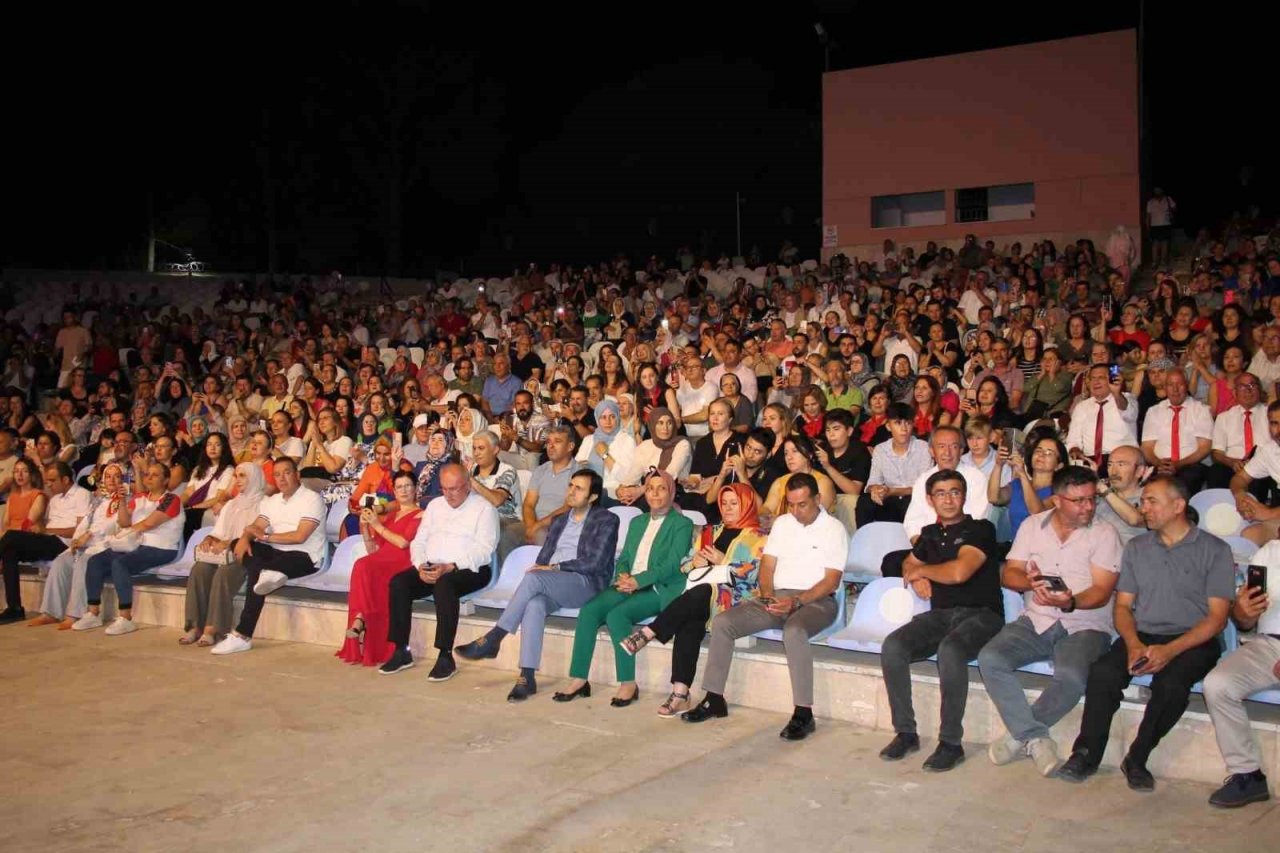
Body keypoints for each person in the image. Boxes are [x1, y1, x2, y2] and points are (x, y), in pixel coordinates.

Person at [1057, 475, 1233, 791]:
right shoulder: (1137, 547)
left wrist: (1171, 650)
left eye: (1152, 500)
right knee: (1104, 673)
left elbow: (1217, 619)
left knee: (1172, 684)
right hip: (1143, 634)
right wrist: (1134, 643)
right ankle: (1086, 753)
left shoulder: (1215, 550)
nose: (1143, 507)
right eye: (1144, 500)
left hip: (1194, 639)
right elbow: (1123, 607)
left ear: (1179, 506)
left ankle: (1137, 758)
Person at [978, 466, 1122, 777]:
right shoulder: (1032, 526)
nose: (1088, 507)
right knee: (990, 658)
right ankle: (1033, 736)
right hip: (1037, 618)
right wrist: (1032, 583)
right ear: (1056, 500)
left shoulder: (1105, 533)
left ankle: (1019, 735)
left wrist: (1070, 601)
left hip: (1085, 623)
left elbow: (1101, 591)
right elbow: (1010, 574)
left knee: (1071, 675)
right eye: (1078, 500)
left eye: (1091, 499)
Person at [682, 473, 846, 740]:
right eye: (790, 504)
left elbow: (831, 581)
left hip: (816, 601)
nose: (795, 511)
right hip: (776, 597)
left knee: (794, 630)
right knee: (724, 623)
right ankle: (714, 698)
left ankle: (803, 713)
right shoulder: (782, 523)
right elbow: (767, 566)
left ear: (817, 499)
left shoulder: (834, 529)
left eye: (802, 504)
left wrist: (796, 601)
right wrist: (768, 596)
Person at [878, 470, 1004, 771]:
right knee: (893, 646)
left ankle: (951, 742)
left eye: (955, 492)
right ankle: (906, 733)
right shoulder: (930, 534)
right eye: (941, 493)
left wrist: (923, 572)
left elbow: (960, 572)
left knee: (951, 650)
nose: (948, 499)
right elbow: (911, 561)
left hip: (982, 615)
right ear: (930, 499)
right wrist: (913, 571)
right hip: (941, 615)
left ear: (964, 496)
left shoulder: (981, 529)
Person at [455, 469, 619, 701]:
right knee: (534, 605)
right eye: (570, 485)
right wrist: (546, 567)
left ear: (592, 497)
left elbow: (595, 562)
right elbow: (545, 555)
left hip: (586, 583)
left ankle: (494, 638)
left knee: (534, 577)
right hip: (555, 583)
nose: (571, 491)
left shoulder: (607, 519)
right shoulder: (560, 520)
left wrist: (553, 569)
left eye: (579, 488)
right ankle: (527, 676)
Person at [619, 483, 767, 717]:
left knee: (694, 599)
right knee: (691, 611)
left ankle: (649, 633)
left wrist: (724, 561)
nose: (727, 509)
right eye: (724, 503)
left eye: (734, 503)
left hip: (737, 598)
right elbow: (684, 564)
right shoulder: (710, 531)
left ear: (747, 505)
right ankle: (680, 693)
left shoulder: (758, 537)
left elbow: (757, 573)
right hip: (702, 598)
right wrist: (694, 563)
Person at [554, 469, 692, 706]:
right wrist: (624, 575)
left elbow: (671, 565)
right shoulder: (638, 521)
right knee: (590, 611)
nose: (655, 493)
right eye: (650, 488)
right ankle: (579, 678)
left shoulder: (682, 524)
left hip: (660, 587)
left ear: (672, 492)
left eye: (661, 488)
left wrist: (639, 581)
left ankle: (628, 683)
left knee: (618, 615)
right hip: (630, 583)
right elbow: (626, 555)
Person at [378, 464, 499, 681]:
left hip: (470, 569)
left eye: (454, 488)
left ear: (468, 485)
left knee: (445, 585)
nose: (449, 494)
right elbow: (419, 541)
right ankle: (401, 650)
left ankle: (445, 656)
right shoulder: (434, 506)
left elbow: (484, 550)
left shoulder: (484, 509)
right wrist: (421, 565)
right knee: (399, 583)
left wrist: (451, 566)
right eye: (444, 488)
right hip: (433, 565)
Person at [209, 458, 327, 655]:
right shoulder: (272, 501)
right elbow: (255, 526)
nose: (282, 478)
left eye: (287, 473)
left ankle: (243, 635)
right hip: (274, 553)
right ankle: (271, 573)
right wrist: (245, 538)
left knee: (256, 565)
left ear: (296, 474)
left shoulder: (312, 498)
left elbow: (300, 536)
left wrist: (265, 536)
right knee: (240, 545)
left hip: (305, 557)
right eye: (277, 474)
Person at [1201, 541, 1277, 808]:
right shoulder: (1269, 552)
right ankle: (1248, 775)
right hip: (1269, 644)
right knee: (1218, 684)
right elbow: (1246, 623)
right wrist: (1243, 614)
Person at [74, 462, 184, 636]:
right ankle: (93, 613)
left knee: (120, 564)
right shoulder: (139, 498)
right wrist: (123, 501)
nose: (148, 477)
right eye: (147, 474)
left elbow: (149, 523)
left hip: (161, 547)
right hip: (135, 545)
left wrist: (127, 532)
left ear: (166, 480)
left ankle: (126, 618)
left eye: (155, 475)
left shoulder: (172, 499)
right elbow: (124, 522)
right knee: (95, 561)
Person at [335, 469, 423, 666]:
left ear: (416, 489)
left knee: (363, 565)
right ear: (394, 491)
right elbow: (373, 550)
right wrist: (365, 527)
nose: (404, 490)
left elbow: (402, 543)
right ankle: (360, 618)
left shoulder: (421, 515)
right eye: (399, 487)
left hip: (402, 562)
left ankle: (360, 620)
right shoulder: (392, 516)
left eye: (408, 486)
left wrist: (377, 524)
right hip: (381, 560)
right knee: (362, 564)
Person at [27, 463, 124, 628]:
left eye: (116, 476)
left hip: (104, 545)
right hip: (86, 542)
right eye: (108, 476)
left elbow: (115, 525)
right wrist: (77, 539)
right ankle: (51, 612)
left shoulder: (123, 500)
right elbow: (85, 522)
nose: (112, 480)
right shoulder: (98, 500)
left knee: (82, 563)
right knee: (60, 562)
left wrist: (89, 536)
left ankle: (75, 614)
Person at [180, 462, 267, 646]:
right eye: (236, 476)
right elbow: (218, 532)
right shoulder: (231, 504)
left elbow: (258, 536)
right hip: (222, 552)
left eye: (242, 475)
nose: (237, 480)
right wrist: (209, 539)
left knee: (222, 574)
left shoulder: (264, 504)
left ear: (254, 478)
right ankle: (193, 626)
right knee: (199, 569)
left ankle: (214, 629)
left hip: (246, 554)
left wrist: (229, 543)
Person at [0, 462, 91, 623]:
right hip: (48, 540)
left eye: (52, 480)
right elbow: (46, 526)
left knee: (11, 537)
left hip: (65, 543)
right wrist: (40, 529)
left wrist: (47, 531)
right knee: (9, 551)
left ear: (65, 479)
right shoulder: (55, 499)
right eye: (47, 480)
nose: (48, 484)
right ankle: (14, 608)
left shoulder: (82, 494)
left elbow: (79, 530)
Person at [856, 402, 931, 527]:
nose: (904, 429)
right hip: (889, 500)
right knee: (865, 501)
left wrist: (893, 491)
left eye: (908, 423)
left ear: (913, 424)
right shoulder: (880, 449)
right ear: (888, 426)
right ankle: (864, 540)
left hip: (914, 500)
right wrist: (875, 489)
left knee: (910, 503)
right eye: (898, 423)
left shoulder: (923, 448)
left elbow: (924, 487)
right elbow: (873, 481)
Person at [1140, 370, 1212, 493]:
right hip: (1160, 465)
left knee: (1183, 485)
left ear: (1187, 385)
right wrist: (1159, 463)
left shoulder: (1201, 410)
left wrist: (1179, 464)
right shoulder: (1154, 411)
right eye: (1170, 385)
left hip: (1190, 465)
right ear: (1165, 388)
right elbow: (1147, 447)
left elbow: (1204, 448)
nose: (1175, 389)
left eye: (1180, 384)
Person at [1065, 364, 1139, 468]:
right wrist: (1075, 449)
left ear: (1111, 379)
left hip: (1121, 459)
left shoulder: (1127, 399)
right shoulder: (1081, 407)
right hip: (1089, 460)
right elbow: (1073, 439)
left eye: (1101, 377)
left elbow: (1129, 414)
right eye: (1093, 378)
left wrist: (1116, 394)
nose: (1096, 382)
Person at [617, 407, 692, 509]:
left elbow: (669, 475)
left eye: (669, 423)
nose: (665, 428)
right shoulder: (644, 446)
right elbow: (632, 476)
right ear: (652, 425)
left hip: (674, 492)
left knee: (646, 503)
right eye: (660, 423)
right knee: (625, 503)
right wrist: (622, 490)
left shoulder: (682, 444)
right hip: (648, 493)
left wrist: (640, 490)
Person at [1207, 373, 1267, 490]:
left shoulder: (1270, 414)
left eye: (1252, 385)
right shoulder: (1224, 417)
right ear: (1234, 393)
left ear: (1259, 390)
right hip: (1233, 465)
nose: (1248, 390)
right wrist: (1232, 462)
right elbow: (1217, 453)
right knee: (1215, 471)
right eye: (1242, 387)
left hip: (1263, 465)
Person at [815, 408, 870, 534]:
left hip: (849, 503)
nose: (831, 435)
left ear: (849, 431)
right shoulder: (823, 450)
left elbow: (854, 491)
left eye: (836, 429)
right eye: (828, 430)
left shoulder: (859, 451)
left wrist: (828, 466)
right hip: (826, 499)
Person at [575, 399, 636, 504]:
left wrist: (605, 455)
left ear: (617, 417)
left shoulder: (627, 440)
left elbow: (626, 477)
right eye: (603, 417)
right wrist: (582, 468)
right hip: (587, 492)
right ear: (597, 419)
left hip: (613, 494)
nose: (608, 422)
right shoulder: (588, 440)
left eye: (612, 416)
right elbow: (576, 471)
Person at [1093, 445, 1149, 546]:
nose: (1113, 472)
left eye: (1121, 465)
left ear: (1139, 471)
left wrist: (1103, 488)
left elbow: (1135, 520)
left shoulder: (1150, 497)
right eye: (1110, 465)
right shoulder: (1099, 498)